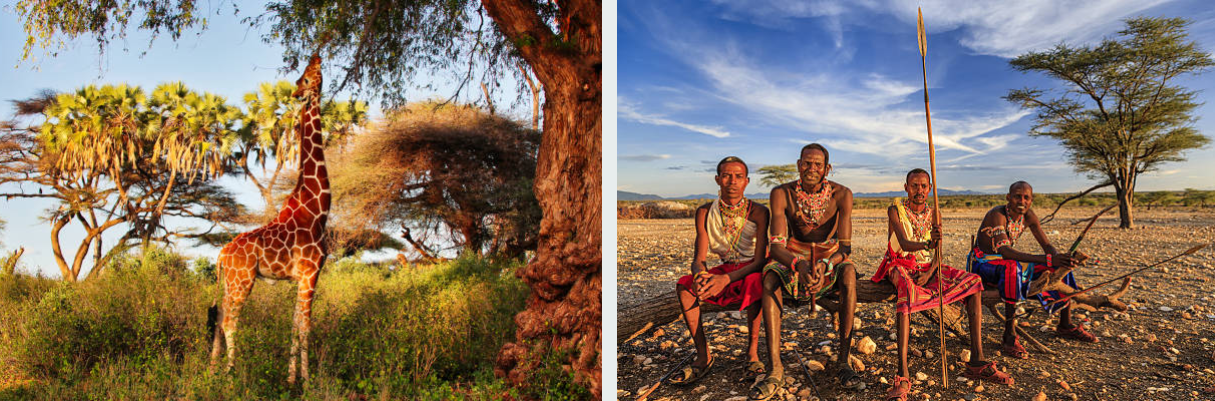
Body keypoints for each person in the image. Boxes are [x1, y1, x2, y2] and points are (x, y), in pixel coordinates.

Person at [872, 169, 1012, 400]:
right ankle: (903, 373)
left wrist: (930, 273)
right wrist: (928, 242)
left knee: (974, 281)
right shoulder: (895, 210)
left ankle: (977, 360)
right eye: (914, 186)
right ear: (906, 187)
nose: (919, 191)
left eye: (924, 186)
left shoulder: (935, 212)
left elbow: (938, 252)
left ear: (930, 188)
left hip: (928, 269)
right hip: (900, 264)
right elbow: (905, 243)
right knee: (907, 291)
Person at [751, 143, 860, 401]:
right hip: (791, 255)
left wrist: (827, 264)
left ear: (827, 169)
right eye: (807, 163)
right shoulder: (781, 193)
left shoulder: (842, 195)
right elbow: (776, 245)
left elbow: (845, 246)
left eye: (818, 164)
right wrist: (798, 264)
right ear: (799, 165)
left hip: (829, 257)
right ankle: (775, 369)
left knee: (849, 276)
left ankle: (843, 362)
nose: (812, 169)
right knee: (769, 280)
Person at [967, 181, 1096, 360]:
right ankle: (1009, 336)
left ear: (1031, 200)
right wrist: (1049, 259)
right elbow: (1005, 252)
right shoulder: (997, 215)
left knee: (1060, 266)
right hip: (983, 264)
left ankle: (1065, 324)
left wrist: (1060, 260)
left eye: (1026, 197)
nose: (1022, 201)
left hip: (1004, 263)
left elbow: (1047, 246)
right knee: (1012, 267)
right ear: (1008, 198)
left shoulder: (1028, 216)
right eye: (1017, 196)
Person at [670, 156, 770, 386]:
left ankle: (752, 354)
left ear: (747, 181)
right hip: (727, 266)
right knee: (685, 287)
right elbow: (699, 259)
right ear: (717, 179)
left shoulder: (759, 212)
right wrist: (701, 277)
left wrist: (725, 279)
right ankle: (704, 355)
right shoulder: (705, 212)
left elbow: (760, 259)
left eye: (738, 176)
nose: (732, 181)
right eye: (726, 175)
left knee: (758, 281)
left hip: (751, 268)